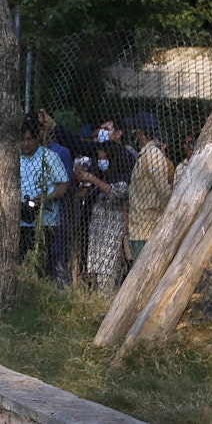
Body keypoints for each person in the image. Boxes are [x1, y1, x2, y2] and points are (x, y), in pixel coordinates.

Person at [79, 140, 134, 291]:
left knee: (108, 272)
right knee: (96, 271)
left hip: (113, 232)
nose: (101, 162)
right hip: (98, 233)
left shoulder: (123, 177)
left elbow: (116, 192)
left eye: (104, 158)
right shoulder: (102, 175)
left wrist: (93, 180)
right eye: (99, 159)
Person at [18, 120, 70, 278]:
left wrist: (48, 197)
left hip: (44, 220)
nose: (26, 144)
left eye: (29, 139)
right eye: (22, 140)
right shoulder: (13, 158)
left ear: (37, 138)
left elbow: (64, 184)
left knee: (40, 262)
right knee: (20, 262)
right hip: (18, 219)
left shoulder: (50, 157)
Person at [124, 112, 173, 264]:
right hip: (139, 227)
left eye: (134, 129)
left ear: (139, 132)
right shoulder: (144, 154)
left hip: (148, 229)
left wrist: (166, 220)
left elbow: (164, 191)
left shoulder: (152, 155)